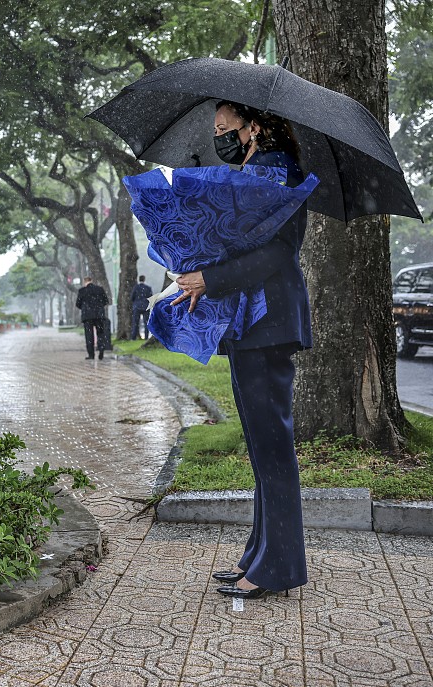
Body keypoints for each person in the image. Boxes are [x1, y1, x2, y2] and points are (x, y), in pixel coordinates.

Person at [172, 100, 310, 600]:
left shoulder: (276, 169)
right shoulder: (259, 169)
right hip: (254, 325)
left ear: (255, 127)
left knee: (272, 448)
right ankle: (259, 555)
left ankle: (276, 568)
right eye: (217, 130)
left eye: (227, 128)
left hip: (267, 324)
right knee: (262, 446)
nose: (221, 136)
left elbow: (275, 252)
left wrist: (210, 277)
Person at [76, 277, 111, 360]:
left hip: (87, 316)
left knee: (89, 336)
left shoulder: (82, 291)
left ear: (85, 282)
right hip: (99, 315)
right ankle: (101, 350)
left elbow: (78, 303)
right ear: (92, 281)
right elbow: (105, 301)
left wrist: (85, 308)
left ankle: (91, 354)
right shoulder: (100, 289)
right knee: (100, 334)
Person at [130, 275, 153, 339]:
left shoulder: (135, 287)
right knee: (146, 323)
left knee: (135, 323)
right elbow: (150, 297)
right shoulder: (148, 288)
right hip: (145, 306)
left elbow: (132, 297)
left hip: (137, 306)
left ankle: (133, 337)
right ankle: (146, 337)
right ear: (144, 279)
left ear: (139, 279)